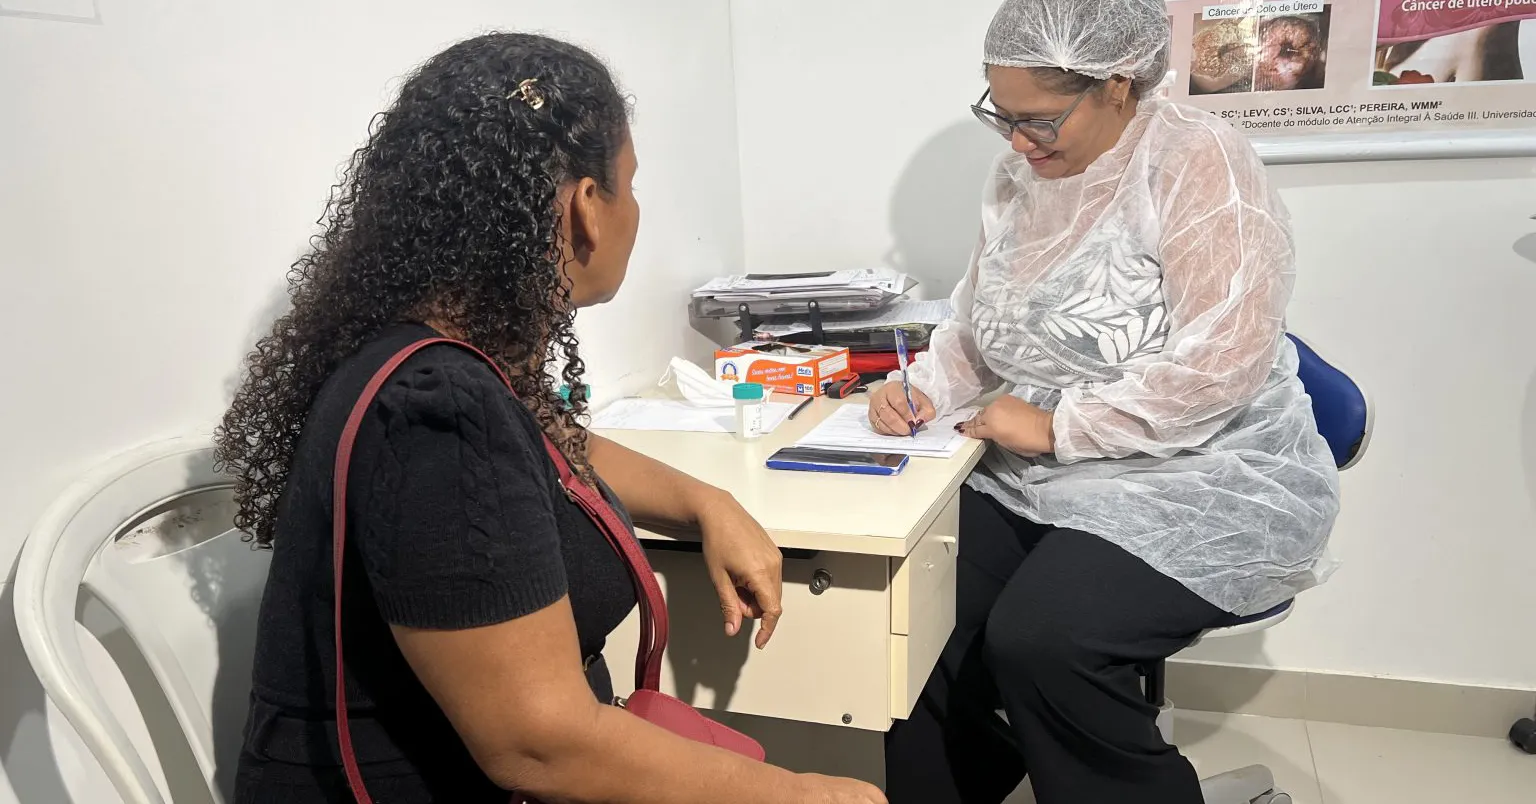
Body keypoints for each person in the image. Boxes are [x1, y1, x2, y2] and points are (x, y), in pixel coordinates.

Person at [217, 32, 884, 804]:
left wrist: (708, 503)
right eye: (628, 185)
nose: (634, 209)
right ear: (584, 211)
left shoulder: (426, 362)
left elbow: (547, 447)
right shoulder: (439, 413)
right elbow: (541, 746)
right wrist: (808, 795)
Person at [871, 2, 1341, 802]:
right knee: (902, 619)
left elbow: (1223, 361)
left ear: (1117, 85)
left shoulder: (1199, 161)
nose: (1018, 144)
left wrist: (1059, 425)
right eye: (1001, 118)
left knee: (1042, 643)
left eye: (1039, 122)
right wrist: (918, 388)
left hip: (1206, 474)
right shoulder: (1023, 174)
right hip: (1045, 469)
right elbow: (982, 323)